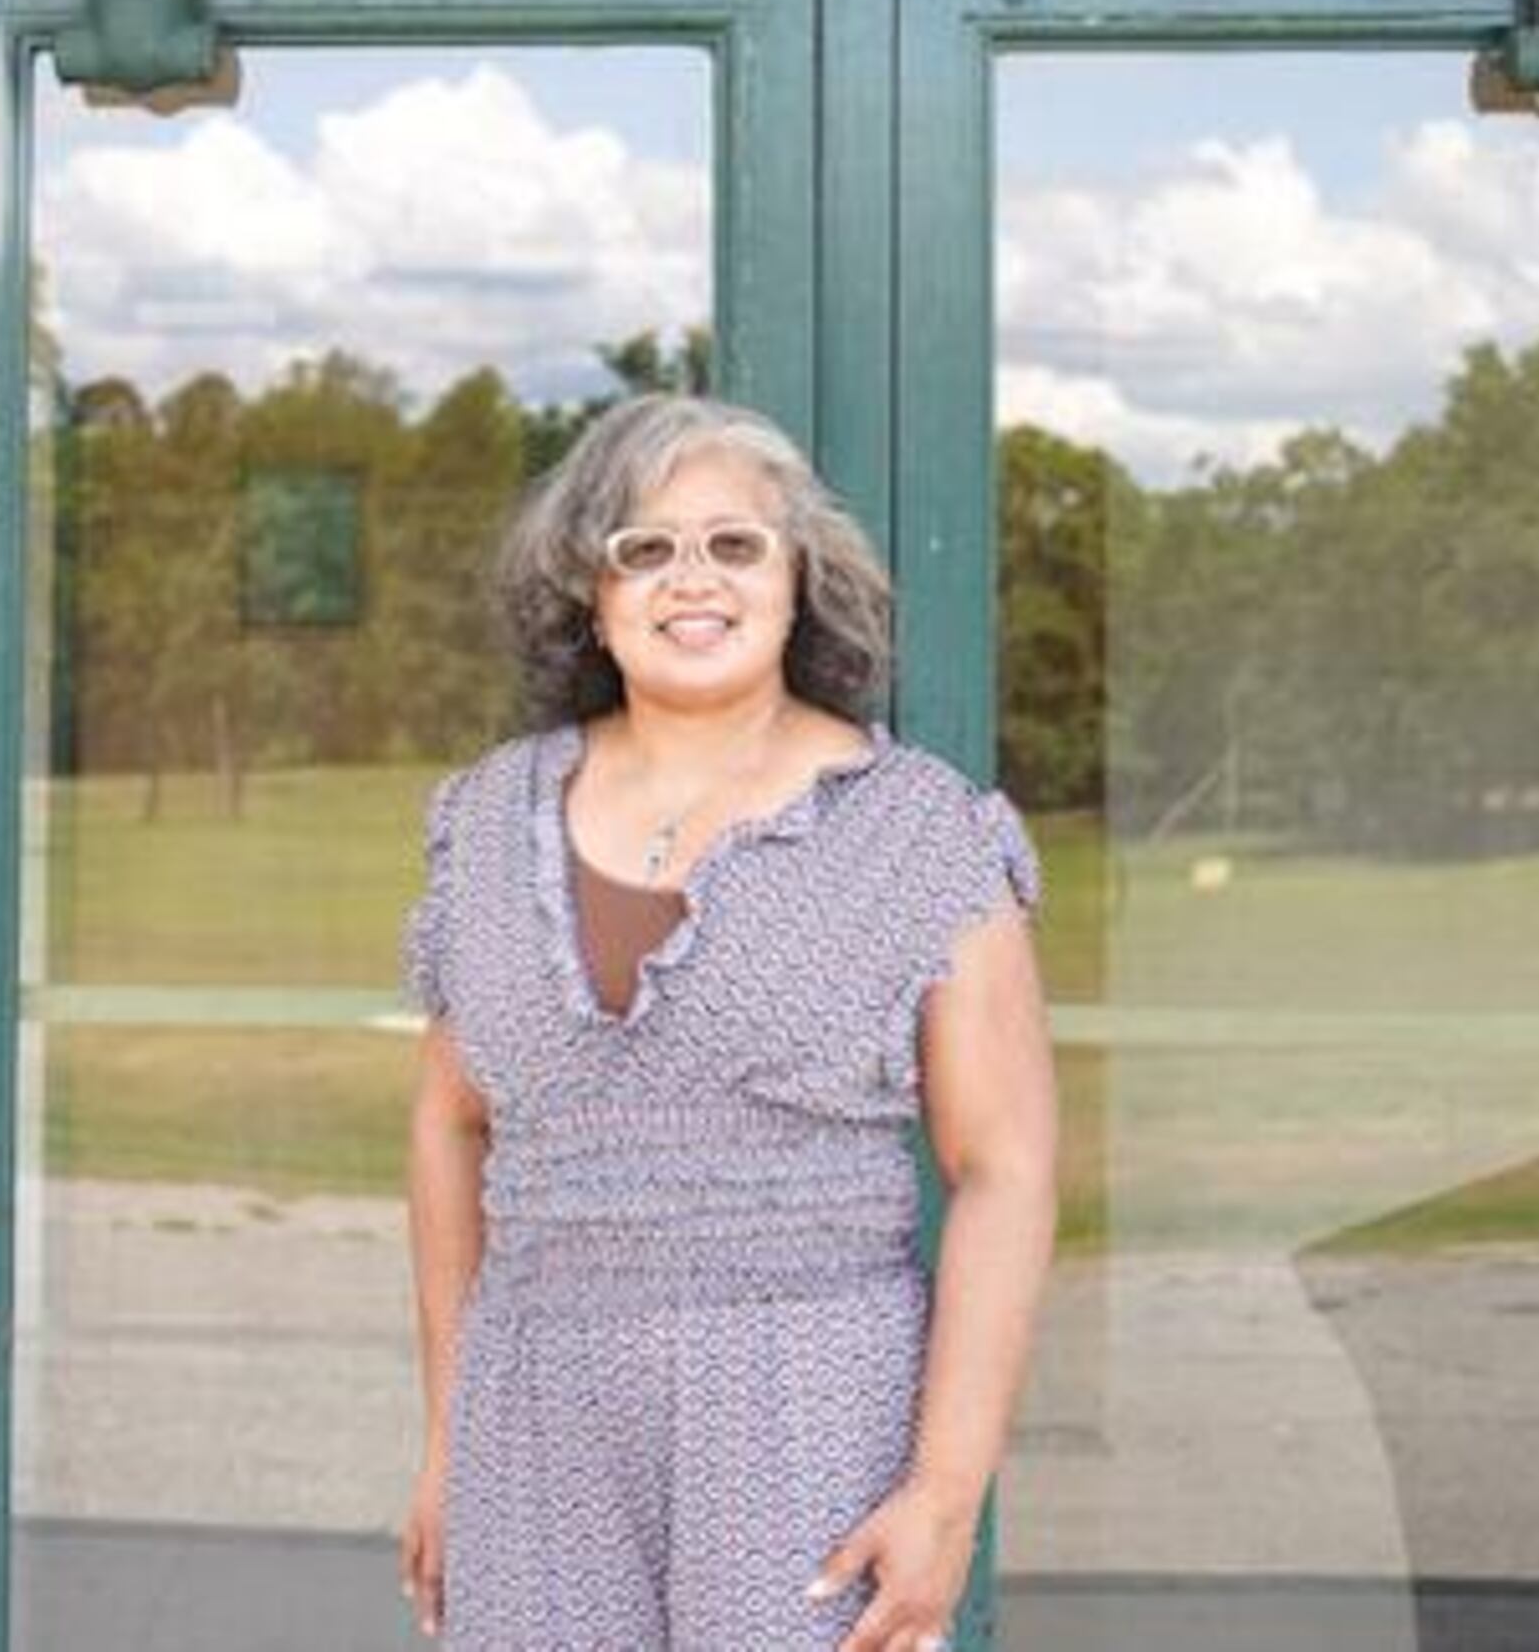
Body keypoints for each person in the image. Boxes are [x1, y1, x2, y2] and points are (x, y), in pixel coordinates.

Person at [397, 395, 1057, 1652]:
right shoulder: (484, 821)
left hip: (810, 1405)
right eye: (643, 549)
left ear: (800, 579)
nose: (688, 580)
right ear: (589, 593)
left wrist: (946, 1493)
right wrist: (448, 1442)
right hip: (533, 1419)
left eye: (734, 545)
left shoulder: (921, 831)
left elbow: (1007, 1170)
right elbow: (448, 1121)